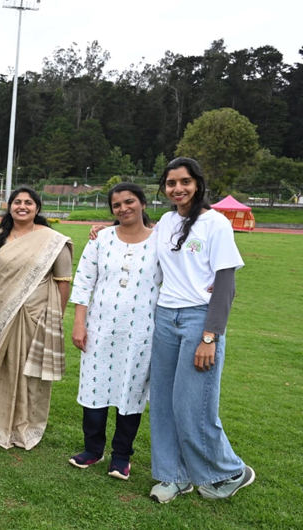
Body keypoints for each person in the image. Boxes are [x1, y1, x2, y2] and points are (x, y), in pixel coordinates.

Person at [148, 157, 253, 503]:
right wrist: (103, 231)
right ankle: (173, 477)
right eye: (171, 183)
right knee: (163, 403)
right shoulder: (166, 222)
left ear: (197, 184)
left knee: (192, 405)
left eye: (185, 182)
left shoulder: (215, 223)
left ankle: (231, 471)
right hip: (165, 317)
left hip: (199, 320)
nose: (177, 188)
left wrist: (210, 336)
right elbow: (141, 241)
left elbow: (225, 283)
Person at [0, 187, 72, 449]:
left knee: (31, 373)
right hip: (1, 314)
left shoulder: (52, 240)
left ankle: (26, 424)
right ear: (9, 206)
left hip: (37, 315)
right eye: (17, 202)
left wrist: (56, 316)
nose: (22, 206)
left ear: (37, 207)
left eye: (28, 202)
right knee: (2, 367)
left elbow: (63, 281)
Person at [67, 182, 161, 479]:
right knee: (94, 387)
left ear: (143, 203)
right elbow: (84, 282)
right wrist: (79, 324)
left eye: (129, 201)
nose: (123, 208)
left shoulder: (161, 240)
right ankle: (93, 450)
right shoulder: (102, 239)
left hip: (141, 331)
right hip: (100, 328)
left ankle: (121, 456)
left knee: (131, 390)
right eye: (116, 205)